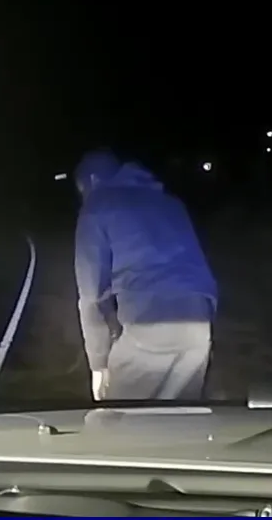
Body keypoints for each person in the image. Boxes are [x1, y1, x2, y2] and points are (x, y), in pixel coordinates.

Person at [73, 149, 217, 402]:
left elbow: (91, 296)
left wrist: (98, 364)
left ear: (92, 180)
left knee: (118, 417)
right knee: (180, 417)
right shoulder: (171, 203)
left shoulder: (97, 206)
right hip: (199, 319)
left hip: (149, 322)